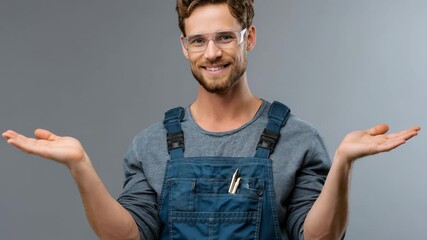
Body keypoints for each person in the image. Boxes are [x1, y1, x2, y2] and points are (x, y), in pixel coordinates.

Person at [2, 0, 420, 239]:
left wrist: (343, 165)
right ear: (184, 47)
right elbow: (130, 237)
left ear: (248, 38)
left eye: (224, 37)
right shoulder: (151, 143)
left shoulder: (299, 139)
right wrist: (80, 166)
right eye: (198, 40)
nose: (212, 53)